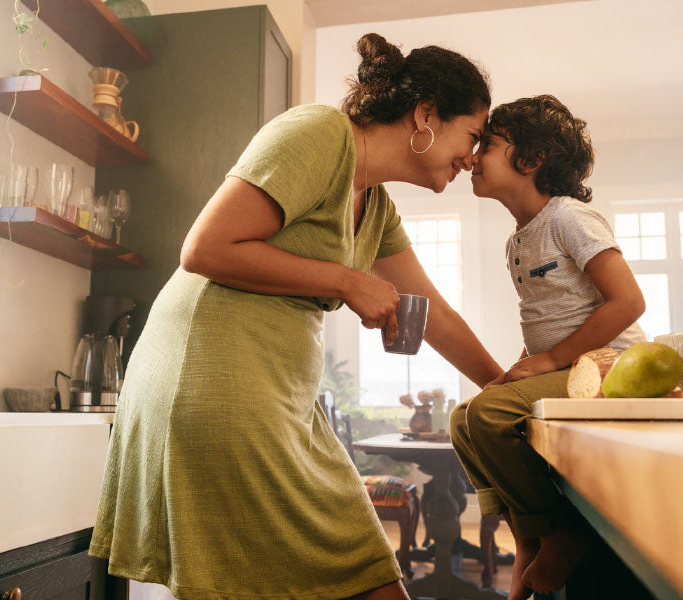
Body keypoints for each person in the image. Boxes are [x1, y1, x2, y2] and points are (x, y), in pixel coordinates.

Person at [89, 33, 505, 600]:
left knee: (366, 573)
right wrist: (346, 281)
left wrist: (505, 388)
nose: (474, 156)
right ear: (426, 114)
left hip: (280, 399)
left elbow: (434, 313)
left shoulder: (376, 203)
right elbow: (205, 248)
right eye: (473, 135)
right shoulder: (317, 134)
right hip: (213, 380)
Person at [450, 95, 647, 599]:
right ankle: (526, 533)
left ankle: (562, 534)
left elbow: (628, 302)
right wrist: (525, 364)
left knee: (490, 415)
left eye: (487, 145)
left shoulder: (570, 218)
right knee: (463, 416)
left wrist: (552, 360)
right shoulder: (518, 240)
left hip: (608, 367)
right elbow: (547, 320)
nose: (472, 157)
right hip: (566, 365)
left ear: (532, 160)